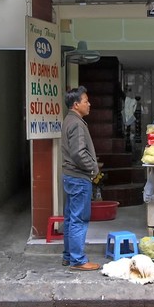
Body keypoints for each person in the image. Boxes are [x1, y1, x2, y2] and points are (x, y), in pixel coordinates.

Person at [61, 86, 100, 271]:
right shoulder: (76, 123)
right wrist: (93, 168)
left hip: (70, 176)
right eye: (86, 101)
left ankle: (69, 256)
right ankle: (78, 260)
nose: (89, 104)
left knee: (70, 218)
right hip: (79, 178)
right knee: (78, 219)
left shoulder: (69, 119)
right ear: (76, 105)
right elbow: (78, 153)